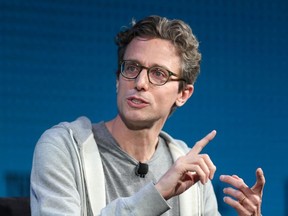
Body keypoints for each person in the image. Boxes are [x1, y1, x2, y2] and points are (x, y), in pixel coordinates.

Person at [30, 15, 265, 215]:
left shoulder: (189, 166)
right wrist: (157, 193)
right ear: (118, 78)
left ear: (183, 93)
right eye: (131, 68)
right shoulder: (64, 148)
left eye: (158, 74)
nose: (140, 82)